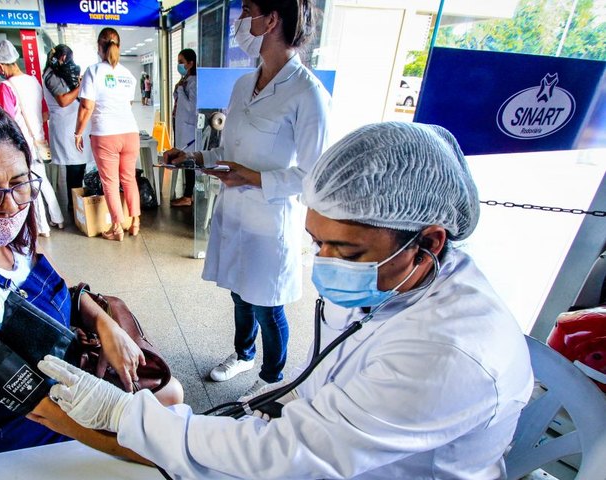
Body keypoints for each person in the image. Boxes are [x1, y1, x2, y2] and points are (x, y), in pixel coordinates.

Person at [34, 121, 535, 479]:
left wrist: (124, 416)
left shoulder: (450, 353)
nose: (326, 263)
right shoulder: (394, 277)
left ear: (430, 241)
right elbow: (322, 398)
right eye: (317, 243)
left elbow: (288, 458)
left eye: (347, 251)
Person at [0, 88, 182, 463]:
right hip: (9, 426)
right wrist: (156, 454)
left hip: (53, 377)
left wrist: (106, 324)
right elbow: (40, 408)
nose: (10, 206)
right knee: (167, 409)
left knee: (169, 394)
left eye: (19, 182)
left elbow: (63, 292)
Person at [164, 0, 330, 396]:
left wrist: (251, 178)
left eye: (246, 10)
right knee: (240, 293)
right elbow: (229, 150)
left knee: (267, 306)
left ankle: (272, 380)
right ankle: (243, 354)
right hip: (235, 214)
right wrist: (194, 158)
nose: (239, 21)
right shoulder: (243, 85)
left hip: (270, 222)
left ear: (271, 20)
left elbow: (313, 176)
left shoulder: (308, 93)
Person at [0, 39, 65, 238]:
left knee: (31, 185)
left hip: (21, 144)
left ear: (0, 65)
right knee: (43, 181)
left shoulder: (6, 86)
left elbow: (6, 121)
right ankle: (58, 218)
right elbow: (45, 113)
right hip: (39, 141)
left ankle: (42, 227)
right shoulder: (33, 81)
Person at [74, 28, 141, 242]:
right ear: (118, 46)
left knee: (110, 183)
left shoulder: (93, 71)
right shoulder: (128, 75)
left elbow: (86, 106)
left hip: (105, 134)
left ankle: (117, 228)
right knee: (129, 179)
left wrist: (78, 133)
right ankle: (135, 222)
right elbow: (128, 105)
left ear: (99, 46)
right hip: (130, 133)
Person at [42, 44, 91, 214]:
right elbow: (63, 100)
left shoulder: (60, 73)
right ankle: (74, 206)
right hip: (66, 127)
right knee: (74, 168)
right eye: (68, 59)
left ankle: (77, 203)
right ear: (62, 58)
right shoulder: (51, 75)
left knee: (79, 166)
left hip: (75, 125)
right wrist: (81, 86)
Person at [170, 49, 197, 208]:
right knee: (183, 157)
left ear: (190, 63)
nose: (179, 65)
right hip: (181, 124)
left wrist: (180, 90)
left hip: (188, 127)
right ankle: (187, 193)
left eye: (182, 62)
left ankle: (188, 196)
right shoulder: (185, 80)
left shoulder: (193, 82)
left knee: (189, 159)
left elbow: (191, 107)